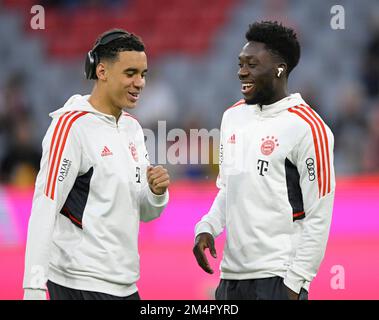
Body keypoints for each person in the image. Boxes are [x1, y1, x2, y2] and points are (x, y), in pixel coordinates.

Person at [23, 29, 170, 300]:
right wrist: (33, 287)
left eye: (144, 74)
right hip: (78, 284)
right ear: (101, 72)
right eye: (130, 73)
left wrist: (156, 193)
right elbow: (45, 206)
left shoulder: (133, 130)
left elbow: (145, 213)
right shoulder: (70, 127)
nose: (140, 83)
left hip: (125, 285)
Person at [193, 21, 335, 300]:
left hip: (277, 278)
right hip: (230, 279)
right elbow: (228, 189)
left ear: (279, 69)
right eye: (240, 63)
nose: (241, 72)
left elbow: (319, 216)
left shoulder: (308, 127)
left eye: (252, 64)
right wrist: (207, 227)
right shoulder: (232, 117)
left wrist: (295, 283)